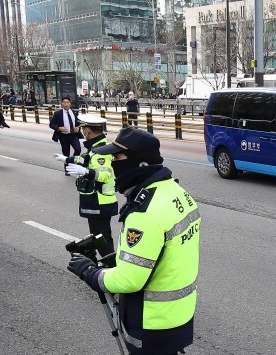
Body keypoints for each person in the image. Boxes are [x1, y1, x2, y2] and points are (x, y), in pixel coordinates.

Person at [67, 128, 201, 355]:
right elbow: (164, 253)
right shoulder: (177, 192)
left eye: (118, 158)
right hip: (179, 311)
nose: (112, 162)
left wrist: (91, 273)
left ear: (140, 164)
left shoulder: (144, 212)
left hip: (152, 320)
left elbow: (129, 281)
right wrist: (119, 259)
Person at [54, 114, 118, 259]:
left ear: (88, 130)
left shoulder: (102, 150)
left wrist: (86, 172)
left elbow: (105, 175)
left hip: (100, 201)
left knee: (102, 238)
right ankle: (108, 265)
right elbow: (84, 158)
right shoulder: (95, 147)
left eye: (83, 129)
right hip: (96, 201)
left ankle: (112, 268)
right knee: (100, 236)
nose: (82, 131)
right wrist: (67, 159)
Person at [50, 96, 83, 175]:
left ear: (70, 104)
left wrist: (78, 128)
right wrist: (58, 128)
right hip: (63, 136)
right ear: (61, 104)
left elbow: (79, 123)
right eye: (64, 103)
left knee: (78, 149)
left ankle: (72, 161)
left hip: (73, 135)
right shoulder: (58, 113)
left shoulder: (75, 112)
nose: (66, 104)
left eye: (67, 102)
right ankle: (67, 169)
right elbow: (51, 124)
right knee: (66, 153)